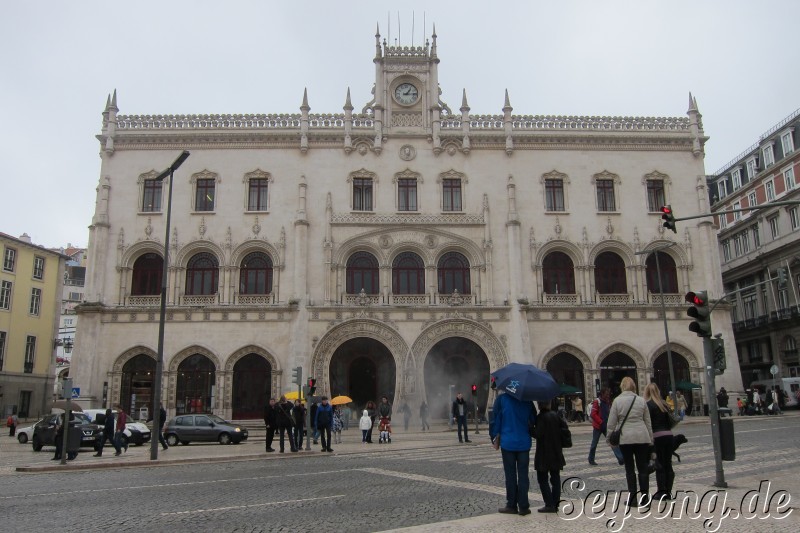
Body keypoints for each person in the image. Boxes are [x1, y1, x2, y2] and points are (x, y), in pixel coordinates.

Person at [607, 376, 653, 508]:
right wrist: (650, 439)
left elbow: (611, 422)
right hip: (641, 436)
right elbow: (647, 421)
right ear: (634, 386)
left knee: (629, 468)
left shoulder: (617, 401)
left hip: (625, 437)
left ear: (622, 386)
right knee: (643, 468)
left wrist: (609, 438)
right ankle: (645, 500)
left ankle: (632, 499)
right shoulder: (641, 400)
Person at [489, 391, 537, 516]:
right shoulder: (527, 400)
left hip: (508, 443)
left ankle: (511, 505)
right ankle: (524, 506)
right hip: (523, 443)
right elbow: (533, 419)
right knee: (523, 475)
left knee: (510, 475)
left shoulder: (502, 399)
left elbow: (495, 419)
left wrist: (494, 437)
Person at [533, 400, 565, 513]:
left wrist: (530, 428)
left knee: (543, 479)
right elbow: (564, 430)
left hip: (544, 453)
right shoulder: (556, 416)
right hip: (556, 451)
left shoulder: (540, 417)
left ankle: (549, 504)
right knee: (555, 479)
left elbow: (538, 434)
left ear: (540, 405)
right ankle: (555, 503)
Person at [644, 382, 674, 501]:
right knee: (668, 464)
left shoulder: (648, 405)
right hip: (668, 435)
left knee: (659, 464)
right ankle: (668, 492)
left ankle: (661, 492)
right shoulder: (664, 404)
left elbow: (648, 423)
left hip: (657, 437)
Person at [588, 388, 624, 466]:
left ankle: (621, 458)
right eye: (606, 394)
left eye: (608, 394)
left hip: (606, 426)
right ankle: (591, 459)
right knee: (594, 443)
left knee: (613, 441)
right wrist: (601, 421)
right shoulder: (597, 401)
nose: (608, 395)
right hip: (598, 426)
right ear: (602, 394)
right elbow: (593, 414)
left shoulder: (608, 402)